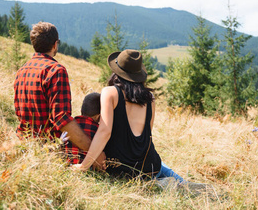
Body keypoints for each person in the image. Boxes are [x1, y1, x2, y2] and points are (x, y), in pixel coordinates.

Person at [72, 49, 185, 182]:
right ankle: (184, 184)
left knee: (163, 170)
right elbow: (146, 137)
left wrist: (84, 166)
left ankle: (176, 183)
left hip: (119, 168)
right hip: (148, 166)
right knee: (166, 171)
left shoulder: (110, 93)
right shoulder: (150, 98)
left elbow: (104, 132)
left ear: (116, 72)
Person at [13, 22, 105, 170]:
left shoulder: (22, 70)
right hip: (50, 152)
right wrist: (94, 152)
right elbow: (61, 119)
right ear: (55, 44)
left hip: (24, 146)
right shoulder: (56, 71)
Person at [63, 92, 101, 164]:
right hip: (88, 167)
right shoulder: (98, 130)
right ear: (98, 116)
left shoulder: (71, 126)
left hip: (66, 165)